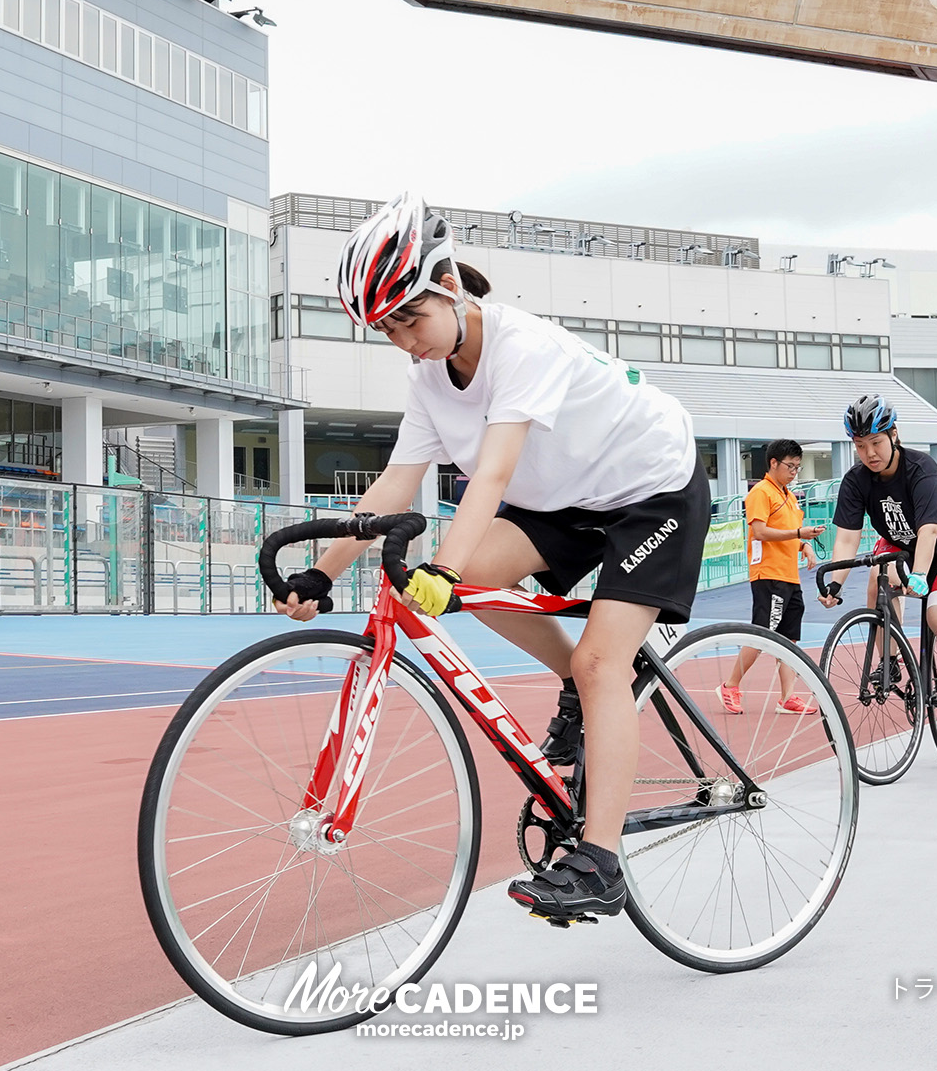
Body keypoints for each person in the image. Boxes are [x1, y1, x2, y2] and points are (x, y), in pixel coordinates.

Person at [271, 195, 710, 925]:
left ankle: (601, 863)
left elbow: (495, 473)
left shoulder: (523, 345)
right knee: (470, 583)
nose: (405, 341)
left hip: (649, 490)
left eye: (411, 318)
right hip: (566, 497)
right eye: (386, 329)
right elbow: (391, 487)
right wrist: (324, 572)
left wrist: (439, 566)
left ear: (449, 284)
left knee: (603, 660)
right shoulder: (428, 380)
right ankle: (575, 679)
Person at [816, 396, 937, 711]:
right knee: (876, 577)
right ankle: (890, 660)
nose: (869, 453)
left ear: (894, 435)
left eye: (876, 442)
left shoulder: (921, 468)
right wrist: (835, 584)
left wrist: (920, 575)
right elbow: (847, 538)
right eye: (860, 445)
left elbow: (929, 530)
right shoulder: (855, 481)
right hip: (902, 546)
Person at [719, 438, 823, 715]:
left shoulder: (788, 496)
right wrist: (799, 535)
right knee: (763, 634)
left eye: (798, 467)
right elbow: (761, 532)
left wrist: (805, 545)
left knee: (789, 639)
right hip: (769, 574)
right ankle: (730, 684)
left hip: (790, 576)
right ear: (773, 463)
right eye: (790, 466)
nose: (794, 472)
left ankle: (787, 697)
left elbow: (792, 532)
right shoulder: (761, 493)